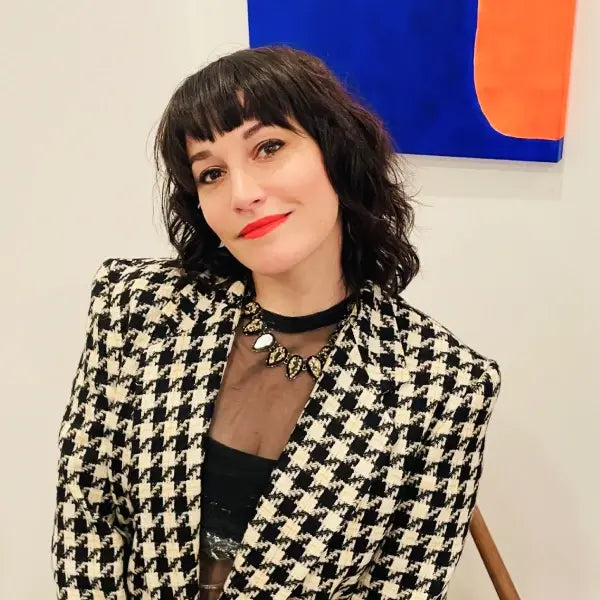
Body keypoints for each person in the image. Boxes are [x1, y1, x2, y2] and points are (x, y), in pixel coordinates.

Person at [51, 45, 501, 600]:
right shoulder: (139, 309)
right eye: (211, 173)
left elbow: (401, 587)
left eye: (268, 147)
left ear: (335, 153)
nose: (242, 194)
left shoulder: (441, 383)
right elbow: (88, 519)